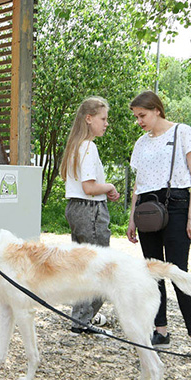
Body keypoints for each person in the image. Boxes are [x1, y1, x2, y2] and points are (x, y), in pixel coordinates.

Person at [126, 90, 191, 363]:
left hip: (176, 204)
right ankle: (160, 331)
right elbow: (139, 185)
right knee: (153, 273)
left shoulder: (182, 132)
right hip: (147, 210)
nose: (139, 121)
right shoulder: (140, 143)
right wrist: (131, 218)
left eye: (143, 115)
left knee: (178, 273)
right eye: (136, 117)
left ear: (157, 110)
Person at [59, 97, 120, 334]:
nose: (106, 124)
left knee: (84, 266)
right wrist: (110, 186)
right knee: (99, 267)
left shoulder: (76, 145)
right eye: (103, 119)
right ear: (89, 118)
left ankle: (82, 317)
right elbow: (89, 187)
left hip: (77, 209)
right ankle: (82, 320)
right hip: (90, 210)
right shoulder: (88, 147)